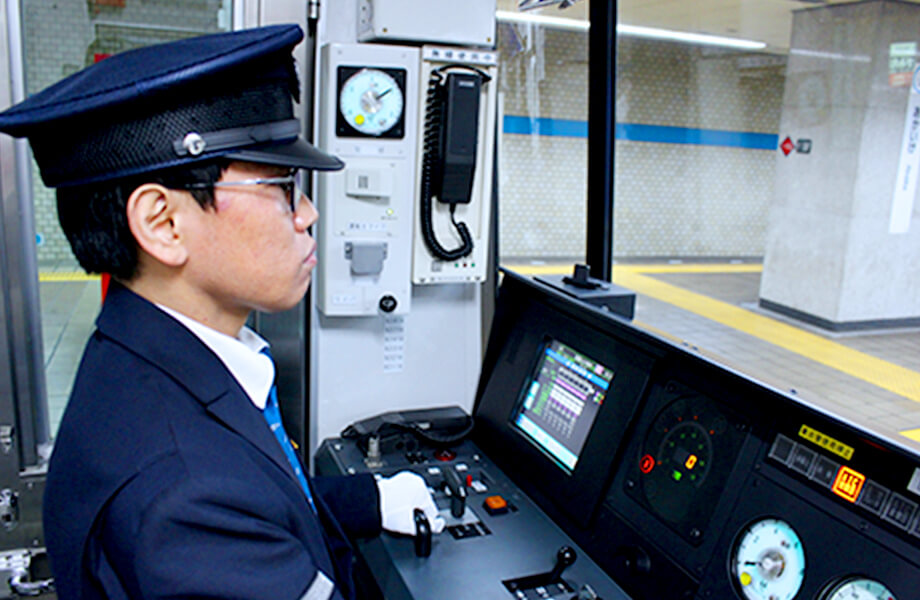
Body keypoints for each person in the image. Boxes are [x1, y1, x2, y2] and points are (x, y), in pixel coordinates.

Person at [0, 24, 443, 600]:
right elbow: (222, 494)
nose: (306, 213)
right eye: (284, 186)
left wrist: (371, 498)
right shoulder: (185, 505)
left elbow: (258, 486)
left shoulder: (143, 352)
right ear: (162, 223)